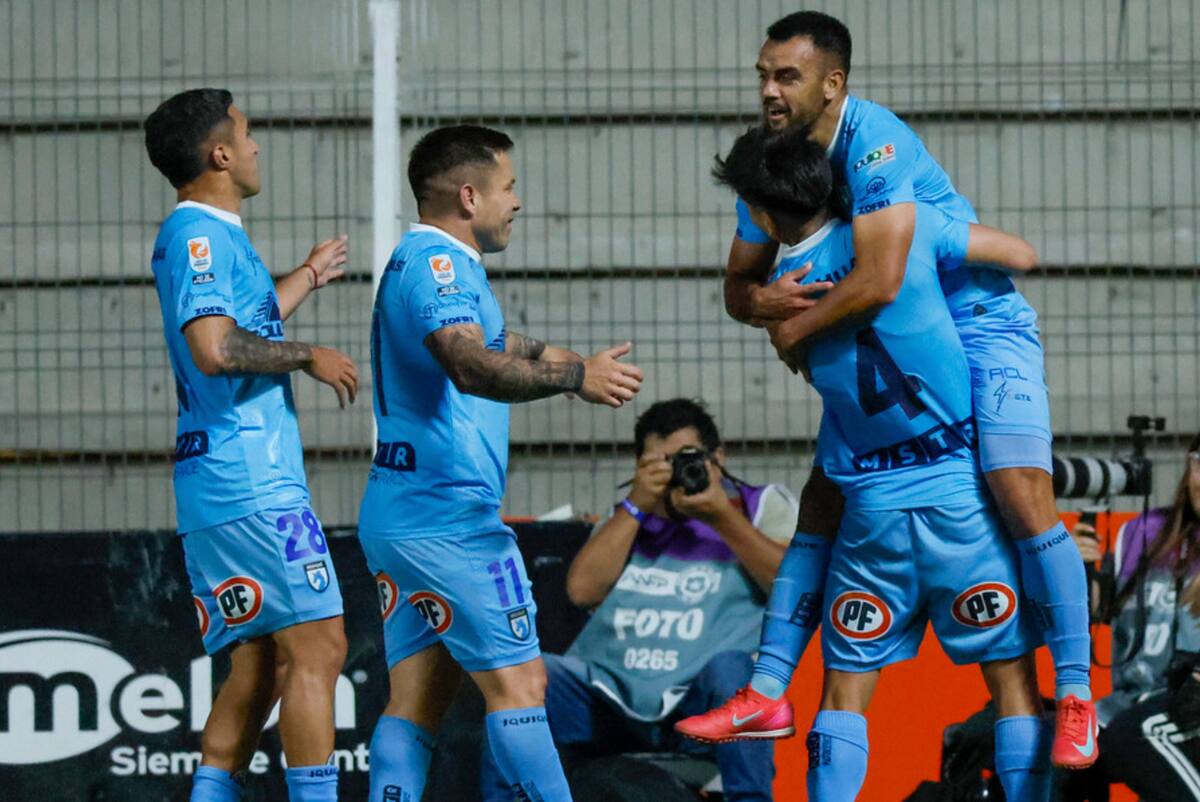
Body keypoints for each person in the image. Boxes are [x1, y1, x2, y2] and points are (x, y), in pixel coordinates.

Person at [715, 10, 1095, 767]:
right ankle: (764, 690)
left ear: (835, 84)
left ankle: (1080, 694)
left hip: (976, 328)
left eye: (785, 75)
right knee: (822, 500)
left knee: (1019, 489)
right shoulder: (775, 172)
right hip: (886, 348)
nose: (767, 90)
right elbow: (738, 286)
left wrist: (791, 327)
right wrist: (764, 305)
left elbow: (883, 280)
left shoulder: (876, 142)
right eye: (762, 74)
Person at [679, 125, 1050, 801]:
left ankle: (771, 692)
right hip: (955, 491)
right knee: (1010, 679)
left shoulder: (783, 292)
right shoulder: (907, 232)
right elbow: (1021, 255)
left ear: (762, 217)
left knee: (846, 685)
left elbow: (792, 350)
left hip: (872, 505)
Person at [357, 124, 644, 802]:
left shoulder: (423, 263)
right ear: (468, 194)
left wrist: (565, 359)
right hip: (448, 516)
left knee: (416, 702)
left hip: (400, 515)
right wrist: (575, 379)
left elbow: (488, 338)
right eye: (508, 187)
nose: (516, 201)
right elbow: (467, 361)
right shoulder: (442, 265)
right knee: (522, 685)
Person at [145, 88, 359, 802]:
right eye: (247, 132)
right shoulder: (198, 235)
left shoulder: (211, 236)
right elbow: (213, 347)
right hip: (250, 480)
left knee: (261, 665)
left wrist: (303, 278)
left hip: (218, 478)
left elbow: (238, 321)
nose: (259, 144)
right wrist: (307, 356)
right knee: (321, 645)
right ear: (221, 154)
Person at [477, 398, 797, 801]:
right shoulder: (631, 518)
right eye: (657, 464)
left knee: (739, 672)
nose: (674, 474)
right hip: (611, 697)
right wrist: (637, 506)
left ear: (718, 457)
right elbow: (581, 591)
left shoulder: (761, 505)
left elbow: (792, 589)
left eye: (687, 459)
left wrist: (721, 516)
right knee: (522, 675)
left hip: (698, 702)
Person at [1060, 435, 1200, 801]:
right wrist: (1071, 569)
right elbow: (1096, 612)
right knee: (1057, 744)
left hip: (1189, 703)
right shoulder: (1144, 532)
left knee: (1134, 736)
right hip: (1131, 703)